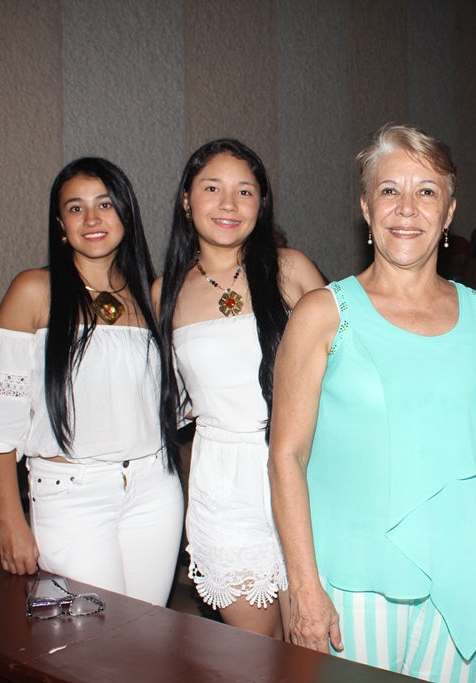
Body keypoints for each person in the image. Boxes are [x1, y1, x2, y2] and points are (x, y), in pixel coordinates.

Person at [268, 124, 476, 682]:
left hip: (462, 580)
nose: (407, 208)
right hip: (350, 586)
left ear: (450, 211)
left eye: (427, 191)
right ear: (365, 206)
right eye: (389, 190)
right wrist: (304, 588)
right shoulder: (322, 313)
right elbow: (287, 456)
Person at [0, 158, 184, 605]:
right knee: (93, 653)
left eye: (105, 203)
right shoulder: (33, 291)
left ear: (126, 213)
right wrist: (9, 519)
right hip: (71, 498)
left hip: (154, 491)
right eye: (75, 207)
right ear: (60, 223)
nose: (92, 218)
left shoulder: (153, 296)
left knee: (147, 640)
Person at [155, 139, 324, 637]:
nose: (228, 204)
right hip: (223, 487)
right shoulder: (165, 292)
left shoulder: (290, 269)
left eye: (244, 191)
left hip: (305, 473)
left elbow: (346, 369)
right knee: (256, 654)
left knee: (312, 647)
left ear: (261, 204)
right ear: (187, 200)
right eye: (212, 188)